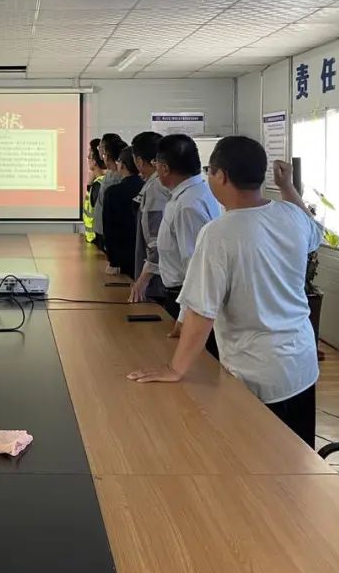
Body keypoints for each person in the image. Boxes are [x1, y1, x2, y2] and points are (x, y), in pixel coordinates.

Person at [127, 137, 323, 447]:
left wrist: (175, 368)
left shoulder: (219, 233)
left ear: (222, 176)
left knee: (256, 456)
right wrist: (287, 188)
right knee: (297, 456)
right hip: (301, 363)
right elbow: (315, 235)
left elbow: (202, 310)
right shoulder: (291, 216)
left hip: (256, 370)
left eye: (211, 171)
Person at [150, 135, 222, 357]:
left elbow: (195, 266)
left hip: (187, 301)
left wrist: (183, 318)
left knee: (194, 367)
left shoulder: (188, 205)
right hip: (183, 298)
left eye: (156, 164)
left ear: (164, 168)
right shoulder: (189, 194)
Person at [128, 131, 170, 302]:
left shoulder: (155, 188)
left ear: (139, 161)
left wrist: (143, 280)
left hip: (158, 282)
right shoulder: (158, 184)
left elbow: (155, 241)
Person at [101, 146, 144, 277]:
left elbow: (109, 228)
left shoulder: (113, 193)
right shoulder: (146, 187)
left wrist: (113, 261)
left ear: (122, 165)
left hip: (122, 255)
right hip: (143, 254)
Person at [92, 133, 126, 252]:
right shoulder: (109, 173)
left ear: (106, 151)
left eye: (100, 147)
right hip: (101, 229)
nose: (99, 151)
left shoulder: (118, 176)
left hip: (109, 232)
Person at [83, 140, 106, 245]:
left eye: (90, 155)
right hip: (93, 240)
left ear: (95, 161)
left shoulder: (99, 185)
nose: (87, 157)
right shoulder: (96, 183)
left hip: (97, 241)